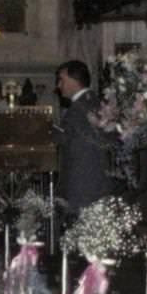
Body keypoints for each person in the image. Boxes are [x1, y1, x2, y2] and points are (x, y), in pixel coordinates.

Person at [54, 59, 110, 214]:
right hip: (91, 181)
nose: (59, 85)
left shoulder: (80, 107)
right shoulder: (91, 101)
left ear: (73, 80)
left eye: (62, 80)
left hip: (83, 182)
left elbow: (73, 143)